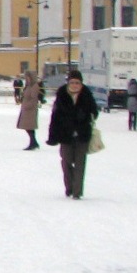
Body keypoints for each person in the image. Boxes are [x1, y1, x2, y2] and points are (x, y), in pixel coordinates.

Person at [46, 69, 99, 199]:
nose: (75, 85)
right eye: (72, 82)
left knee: (80, 164)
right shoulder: (61, 95)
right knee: (66, 161)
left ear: (81, 83)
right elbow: (55, 117)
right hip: (65, 134)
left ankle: (77, 191)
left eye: (77, 83)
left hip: (82, 134)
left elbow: (94, 112)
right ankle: (69, 186)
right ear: (68, 83)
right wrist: (52, 136)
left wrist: (85, 115)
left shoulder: (86, 95)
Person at [16, 70, 42, 149]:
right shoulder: (28, 86)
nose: (26, 79)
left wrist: (27, 105)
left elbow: (34, 99)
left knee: (29, 127)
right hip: (26, 110)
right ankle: (34, 142)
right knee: (28, 127)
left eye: (28, 77)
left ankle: (33, 143)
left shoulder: (34, 86)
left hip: (30, 110)